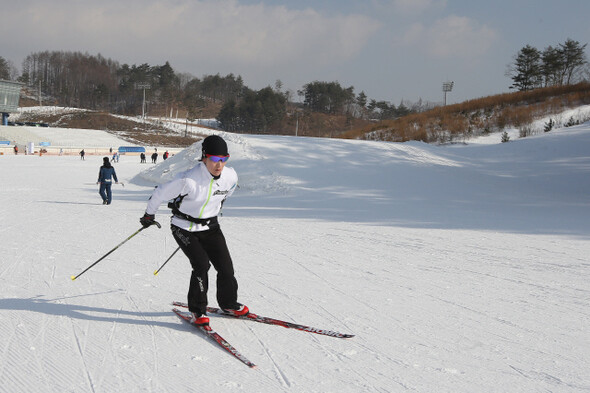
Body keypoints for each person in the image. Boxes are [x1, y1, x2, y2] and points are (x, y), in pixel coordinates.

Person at [139, 135, 246, 326]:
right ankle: (197, 310)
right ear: (204, 157)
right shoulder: (187, 180)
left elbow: (226, 193)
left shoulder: (231, 176)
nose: (219, 165)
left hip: (211, 227)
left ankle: (229, 304)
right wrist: (149, 215)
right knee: (202, 265)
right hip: (184, 227)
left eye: (223, 159)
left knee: (226, 268)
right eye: (214, 159)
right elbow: (159, 193)